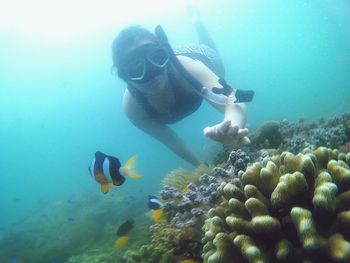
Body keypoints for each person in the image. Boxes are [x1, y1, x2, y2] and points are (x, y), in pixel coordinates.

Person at [111, 12, 252, 167]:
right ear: (124, 76)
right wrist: (201, 166)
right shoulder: (133, 108)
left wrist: (230, 127)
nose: (151, 72)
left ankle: (197, 23)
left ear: (164, 54)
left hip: (201, 57)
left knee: (211, 51)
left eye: (156, 57)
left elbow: (233, 100)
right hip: (181, 64)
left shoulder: (186, 69)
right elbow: (170, 140)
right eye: (136, 68)